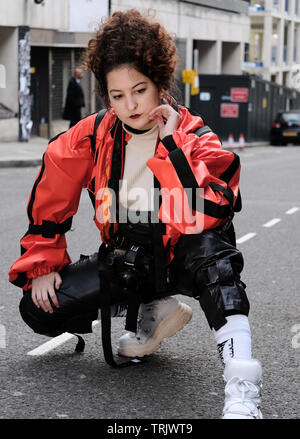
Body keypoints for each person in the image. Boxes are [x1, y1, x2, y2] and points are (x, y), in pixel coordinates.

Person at [9, 9, 263, 419]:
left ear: (160, 83)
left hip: (184, 254)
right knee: (37, 308)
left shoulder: (195, 135)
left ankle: (242, 387)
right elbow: (53, 188)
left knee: (217, 264)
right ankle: (148, 309)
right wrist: (43, 259)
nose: (130, 105)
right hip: (129, 258)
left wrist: (173, 149)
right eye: (117, 95)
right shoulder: (92, 134)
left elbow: (211, 212)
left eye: (140, 90)